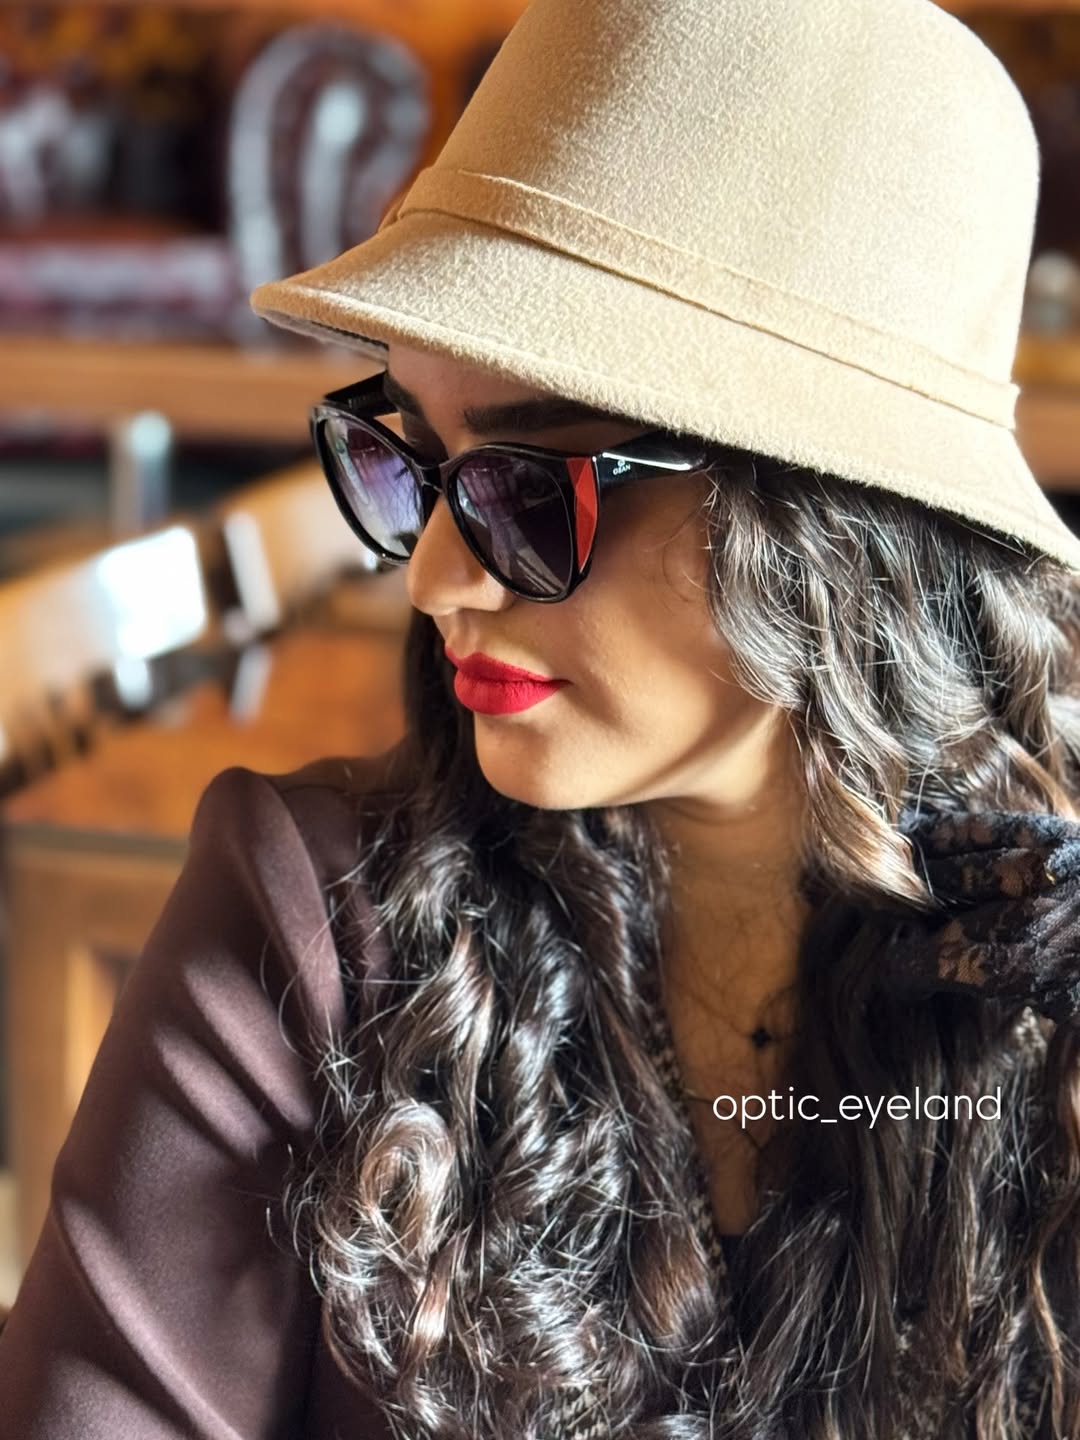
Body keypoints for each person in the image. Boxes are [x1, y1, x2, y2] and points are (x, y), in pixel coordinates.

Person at [4, 0, 1080, 1435]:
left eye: (529, 492)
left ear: (830, 528)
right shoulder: (315, 932)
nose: (435, 578)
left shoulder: (1044, 991)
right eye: (414, 464)